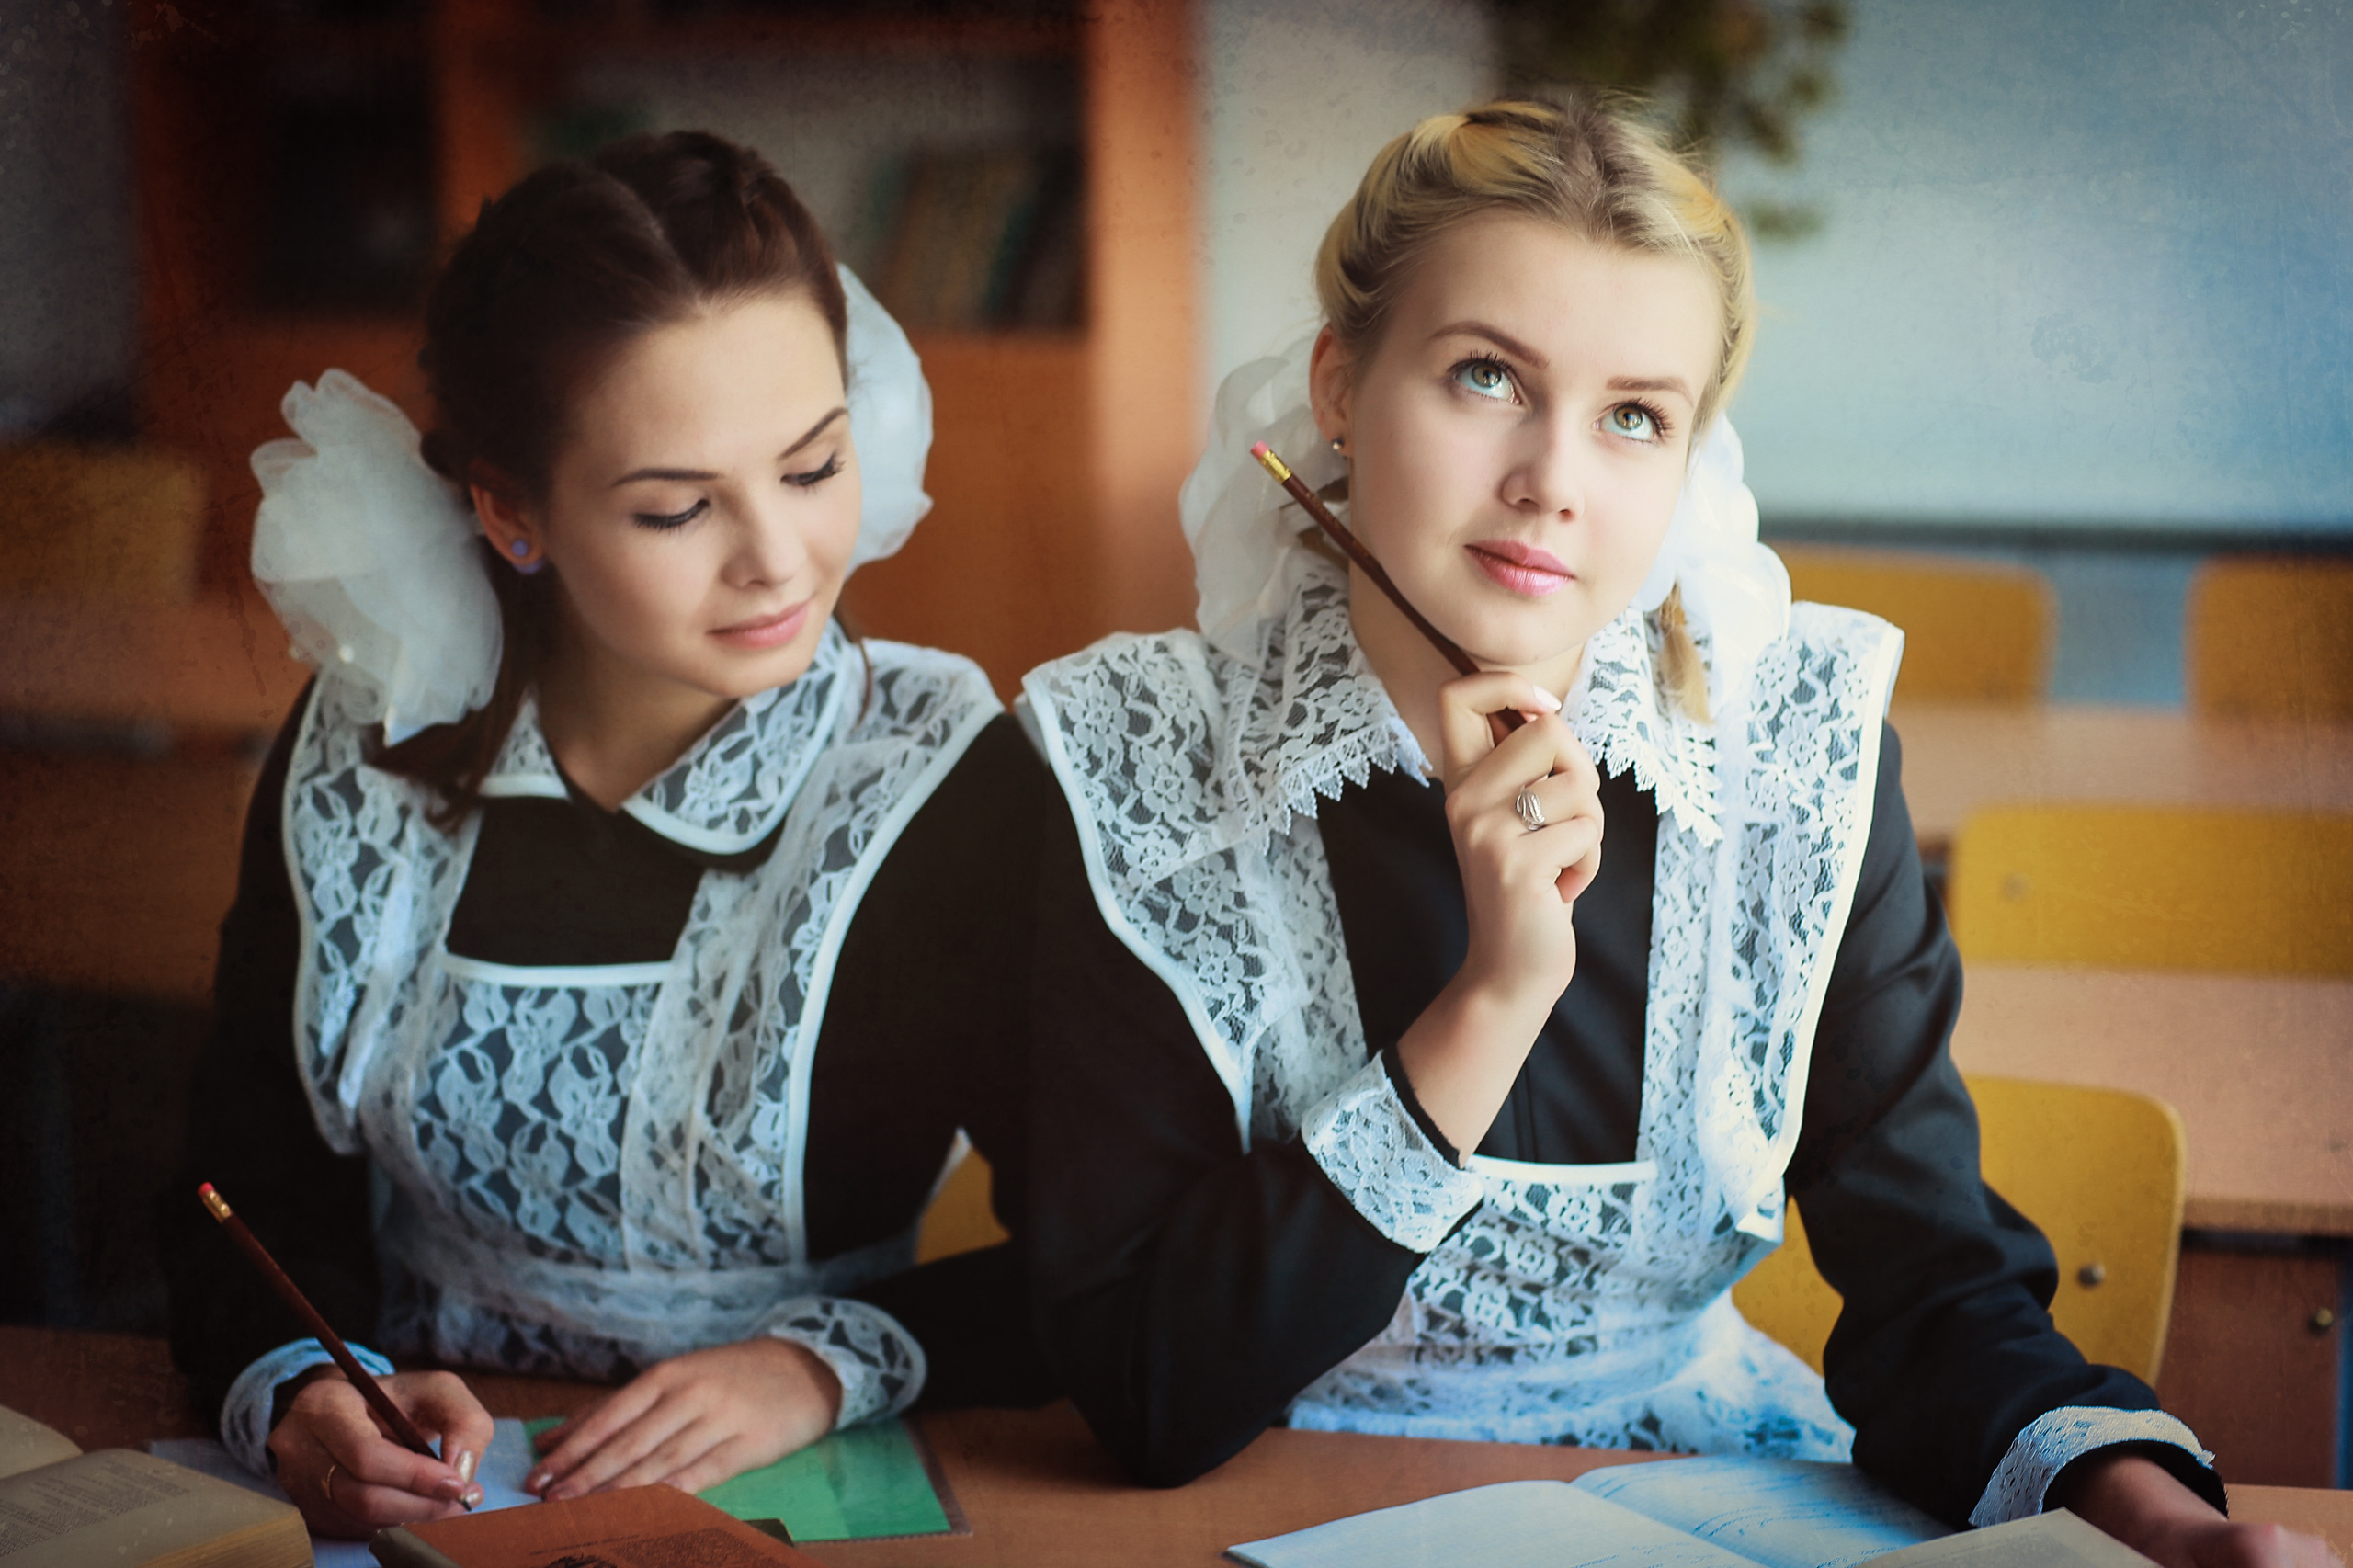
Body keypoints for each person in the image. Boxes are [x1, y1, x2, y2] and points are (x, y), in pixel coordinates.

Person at [1018, 98, 2335, 1567]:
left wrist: (2168, 1527)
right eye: (1484, 377)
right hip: (1268, 1505)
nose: (1553, 481)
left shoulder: (1797, 751)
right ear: (1339, 385)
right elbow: (1151, 1396)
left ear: (1688, 458)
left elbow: (1937, 1292)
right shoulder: (1133, 755)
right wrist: (1494, 999)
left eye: (1633, 415)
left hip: (1700, 1498)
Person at [158, 131, 1051, 1541]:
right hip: (439, 1494)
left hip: (804, 1492)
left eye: (813, 467)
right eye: (679, 507)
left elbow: (1111, 1257)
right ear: (512, 512)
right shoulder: (369, 749)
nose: (776, 559)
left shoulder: (940, 779)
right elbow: (243, 1184)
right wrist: (304, 1386)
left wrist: (821, 1366)